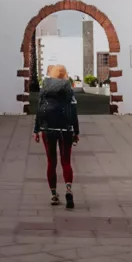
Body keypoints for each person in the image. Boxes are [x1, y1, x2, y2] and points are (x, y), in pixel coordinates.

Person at [33, 63, 79, 208]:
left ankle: (53, 195)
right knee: (66, 161)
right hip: (65, 130)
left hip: (48, 129)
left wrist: (36, 129)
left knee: (51, 162)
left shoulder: (45, 88)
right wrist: (76, 131)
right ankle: (68, 190)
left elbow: (39, 109)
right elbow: (73, 112)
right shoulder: (68, 89)